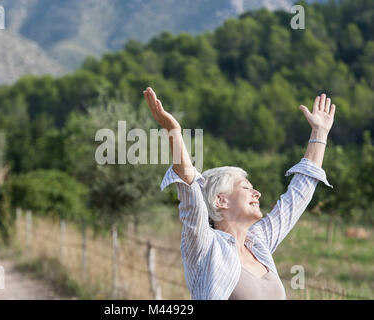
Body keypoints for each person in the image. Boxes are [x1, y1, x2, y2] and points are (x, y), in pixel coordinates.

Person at [143, 87, 335, 300]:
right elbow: (191, 191)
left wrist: (319, 133)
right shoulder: (205, 246)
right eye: (246, 188)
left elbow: (297, 196)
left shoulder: (259, 241)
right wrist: (173, 131)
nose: (257, 193)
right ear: (220, 200)